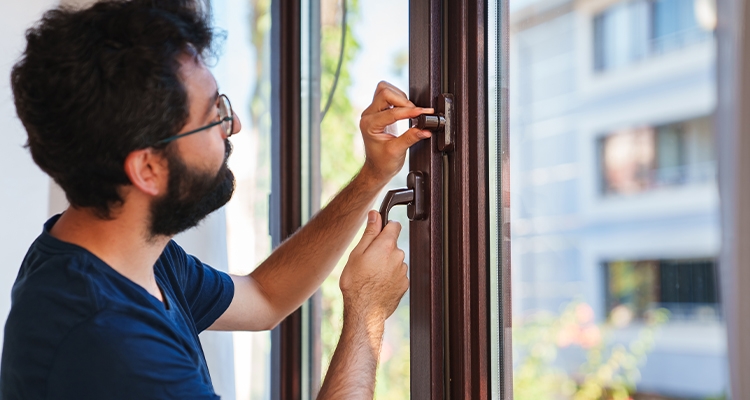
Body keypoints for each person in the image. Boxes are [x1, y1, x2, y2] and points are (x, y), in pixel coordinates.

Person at [0, 0, 434, 399]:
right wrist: (367, 313)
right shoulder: (111, 342)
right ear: (147, 168)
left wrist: (373, 176)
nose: (235, 125)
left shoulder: (128, 257)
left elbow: (265, 297)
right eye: (213, 116)